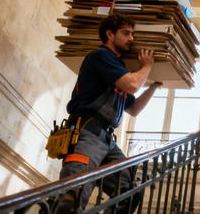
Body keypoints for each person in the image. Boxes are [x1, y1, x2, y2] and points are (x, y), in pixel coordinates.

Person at [55, 14, 162, 213]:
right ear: (109, 34)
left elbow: (134, 108)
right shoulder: (101, 57)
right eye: (126, 33)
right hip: (87, 133)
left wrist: (155, 86)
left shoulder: (118, 69)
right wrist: (147, 66)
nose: (131, 38)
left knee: (130, 192)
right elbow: (131, 85)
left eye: (133, 34)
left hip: (107, 141)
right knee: (72, 196)